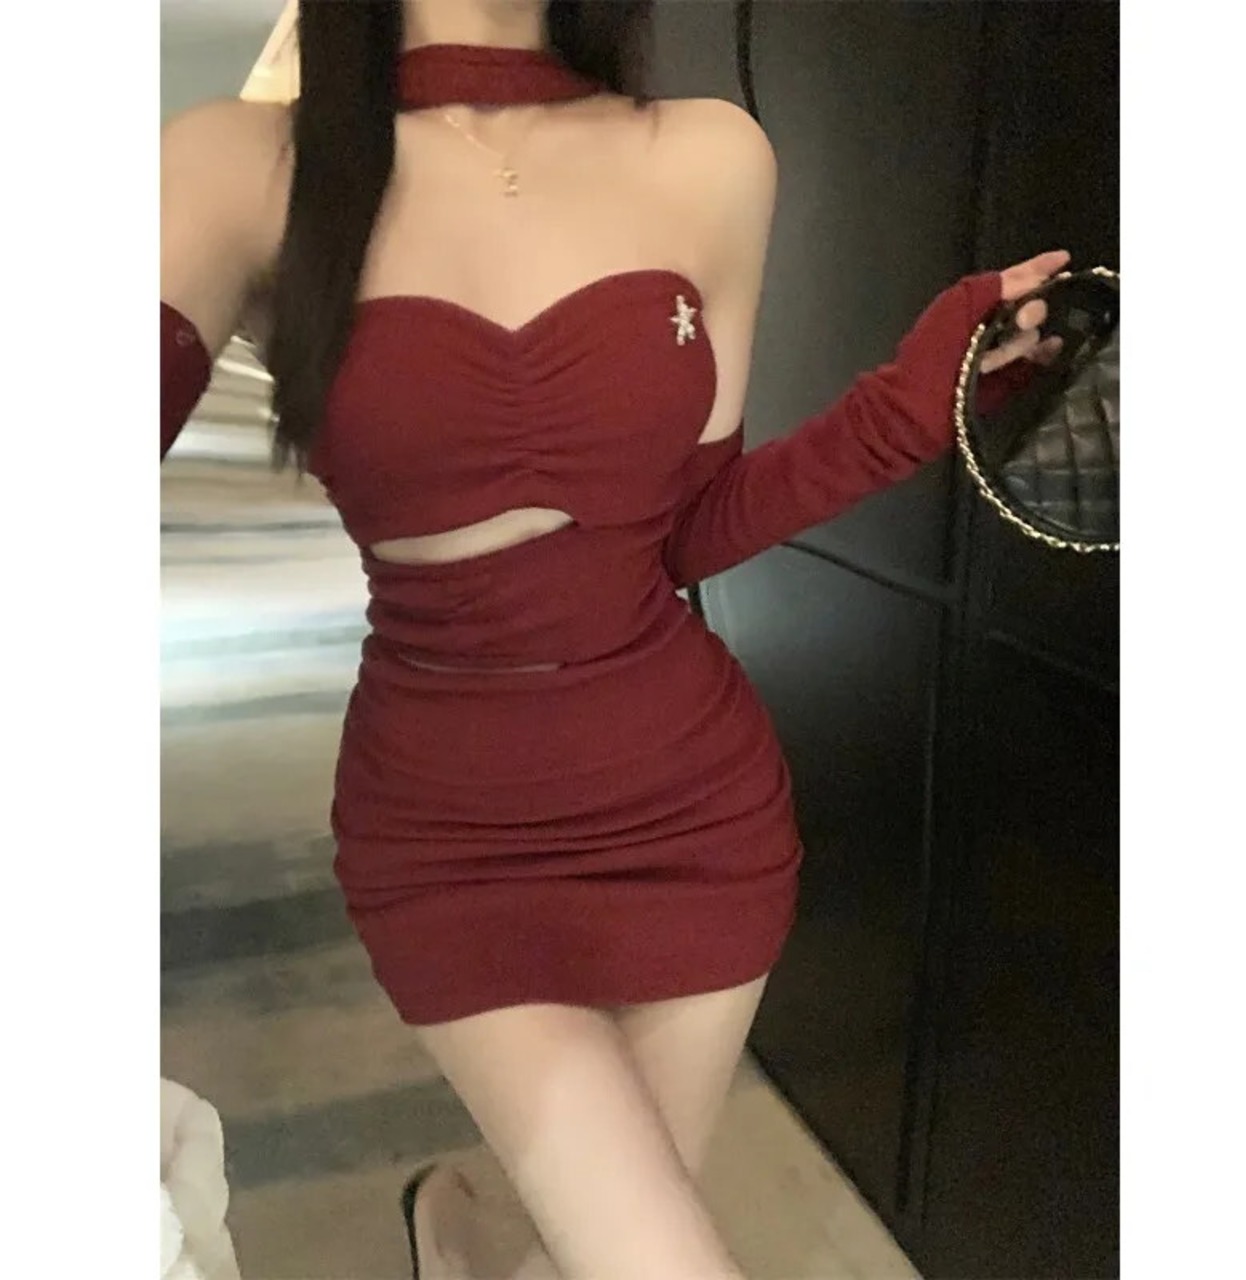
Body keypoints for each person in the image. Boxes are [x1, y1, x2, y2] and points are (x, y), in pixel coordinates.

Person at [160, 1, 1064, 1276]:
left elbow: (685, 531)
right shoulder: (240, 164)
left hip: (693, 813)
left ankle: (458, 1230)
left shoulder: (709, 153)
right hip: (450, 835)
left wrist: (903, 412)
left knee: (579, 1243)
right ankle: (459, 1226)